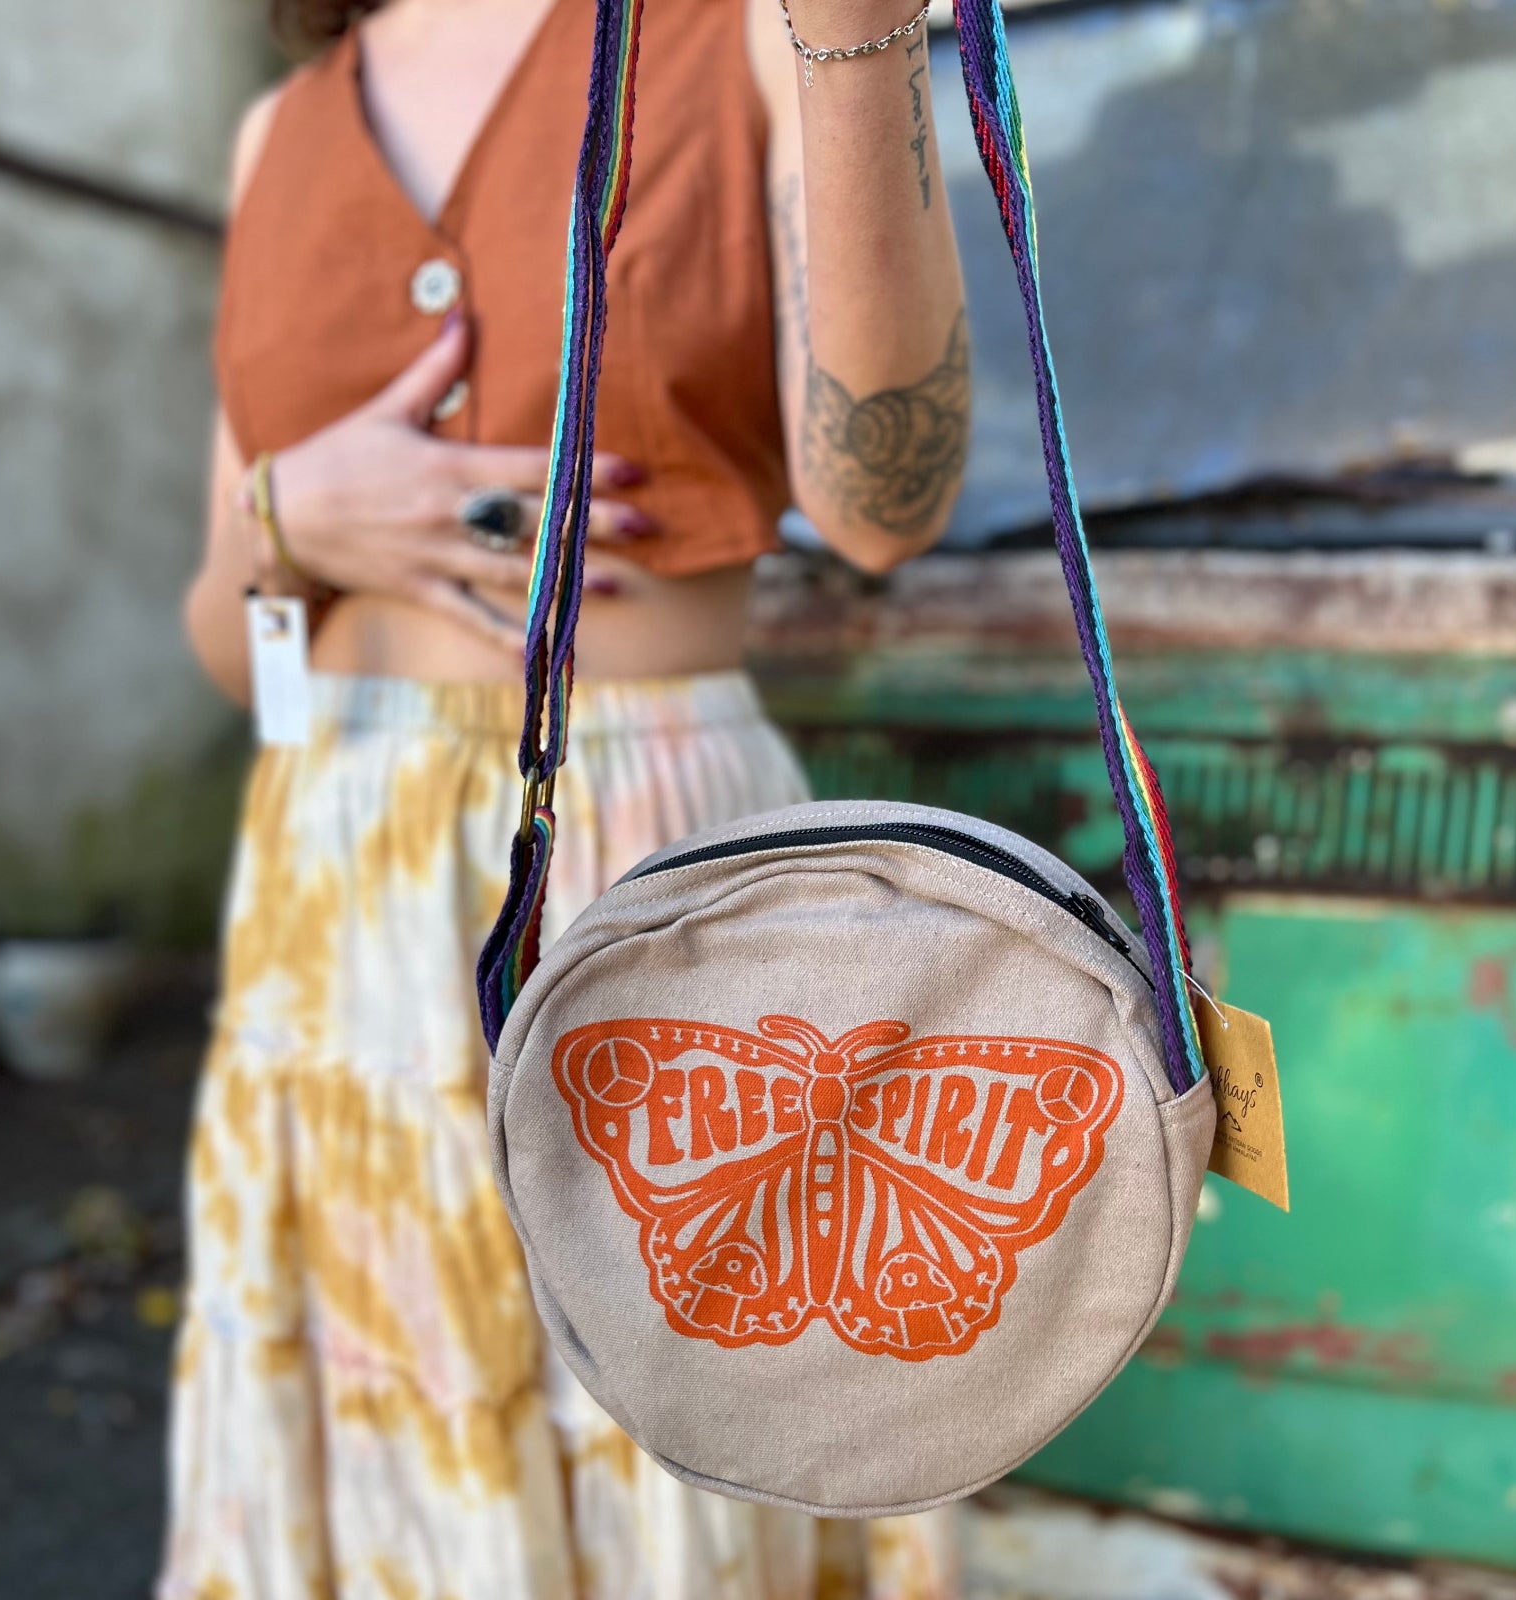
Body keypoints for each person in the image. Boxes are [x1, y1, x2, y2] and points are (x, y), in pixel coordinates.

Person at [163, 0, 970, 1593]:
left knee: (672, 1422)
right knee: (385, 1432)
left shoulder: (762, 32)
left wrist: (857, 42)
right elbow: (230, 648)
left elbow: (886, 504)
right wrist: (285, 519)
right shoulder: (279, 130)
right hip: (331, 890)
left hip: (638, 848)